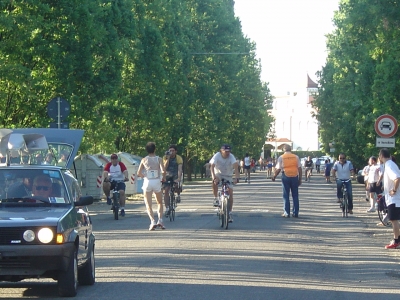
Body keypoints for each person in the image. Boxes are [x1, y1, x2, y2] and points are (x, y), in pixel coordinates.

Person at [137, 142, 166, 230]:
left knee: (148, 204)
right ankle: (160, 220)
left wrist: (144, 176)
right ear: (155, 149)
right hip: (156, 181)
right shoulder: (159, 159)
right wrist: (163, 178)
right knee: (159, 202)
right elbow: (163, 171)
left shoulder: (144, 160)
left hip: (147, 181)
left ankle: (152, 221)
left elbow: (139, 173)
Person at [210, 144, 240, 222]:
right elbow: (212, 166)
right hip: (218, 174)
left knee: (230, 193)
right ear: (221, 151)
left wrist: (237, 177)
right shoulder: (217, 155)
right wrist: (214, 178)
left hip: (228, 176)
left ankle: (229, 213)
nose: (227, 153)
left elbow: (236, 166)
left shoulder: (231, 157)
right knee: (214, 182)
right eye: (225, 151)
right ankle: (216, 198)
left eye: (229, 151)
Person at [272, 144, 302, 218]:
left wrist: (274, 176)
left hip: (286, 176)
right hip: (295, 176)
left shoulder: (281, 157)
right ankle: (295, 213)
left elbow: (278, 169)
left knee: (286, 195)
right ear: (291, 149)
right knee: (295, 195)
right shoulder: (296, 157)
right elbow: (300, 168)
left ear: (284, 150)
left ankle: (286, 213)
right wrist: (300, 179)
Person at [378, 148, 400, 249]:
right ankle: (397, 239)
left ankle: (396, 241)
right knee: (393, 219)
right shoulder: (389, 165)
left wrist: (394, 190)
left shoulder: (389, 165)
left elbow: (396, 178)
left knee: (394, 219)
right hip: (392, 198)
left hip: (394, 199)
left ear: (381, 156)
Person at [163, 144, 183, 216]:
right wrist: (168, 158)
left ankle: (178, 194)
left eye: (173, 151)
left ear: (176, 151)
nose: (171, 152)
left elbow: (180, 169)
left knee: (176, 185)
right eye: (170, 151)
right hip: (167, 174)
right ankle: (167, 208)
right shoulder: (165, 157)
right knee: (166, 191)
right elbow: (164, 168)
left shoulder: (178, 158)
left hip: (175, 173)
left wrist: (178, 178)